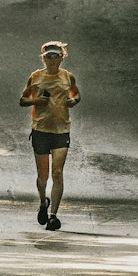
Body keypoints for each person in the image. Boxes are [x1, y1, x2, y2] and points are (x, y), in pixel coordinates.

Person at [19, 40, 80, 231]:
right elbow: (23, 100)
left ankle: (53, 216)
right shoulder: (36, 77)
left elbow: (76, 95)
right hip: (41, 131)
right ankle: (43, 203)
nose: (52, 59)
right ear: (43, 58)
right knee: (43, 176)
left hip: (62, 130)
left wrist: (73, 101)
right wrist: (36, 100)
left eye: (56, 56)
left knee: (58, 173)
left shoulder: (67, 77)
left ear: (62, 57)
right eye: (48, 56)